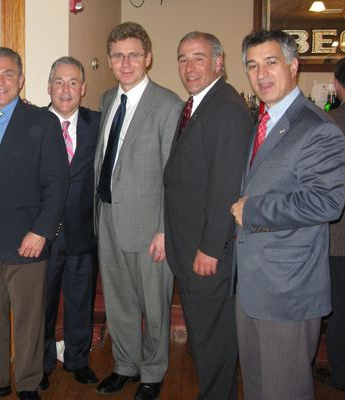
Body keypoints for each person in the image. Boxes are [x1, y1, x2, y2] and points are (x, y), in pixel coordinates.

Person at [231, 30, 345, 399]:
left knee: (285, 391)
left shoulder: (317, 128)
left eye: (271, 62)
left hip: (288, 290)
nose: (261, 73)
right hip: (253, 284)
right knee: (258, 389)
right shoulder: (263, 120)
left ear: (293, 66)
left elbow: (327, 201)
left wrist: (254, 210)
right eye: (252, 66)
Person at [0, 47, 69, 400]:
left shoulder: (42, 122)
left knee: (28, 318)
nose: (0, 81)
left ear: (21, 79)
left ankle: (27, 384)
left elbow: (57, 182)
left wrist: (41, 231)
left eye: (8, 73)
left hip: (27, 235)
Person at [93, 22, 182, 400]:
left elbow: (172, 177)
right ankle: (126, 366)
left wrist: (164, 229)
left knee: (155, 306)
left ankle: (153, 373)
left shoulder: (169, 105)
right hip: (108, 218)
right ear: (109, 59)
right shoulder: (107, 99)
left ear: (147, 57)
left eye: (133, 55)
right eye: (118, 56)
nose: (125, 63)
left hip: (149, 228)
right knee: (119, 301)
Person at [163, 31, 253, 400]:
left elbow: (226, 187)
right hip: (190, 245)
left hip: (206, 252)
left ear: (218, 62)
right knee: (204, 338)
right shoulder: (198, 104)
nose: (189, 67)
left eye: (198, 58)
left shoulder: (226, 108)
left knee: (213, 341)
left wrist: (211, 248)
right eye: (183, 58)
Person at [38, 56, 100, 392]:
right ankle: (43, 363)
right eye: (59, 82)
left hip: (83, 234)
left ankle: (78, 360)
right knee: (43, 306)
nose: (66, 89)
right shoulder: (32, 124)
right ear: (49, 87)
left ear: (83, 88)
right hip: (42, 237)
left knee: (81, 303)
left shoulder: (99, 124)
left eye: (73, 82)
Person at [315, 57, 345, 394]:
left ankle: (341, 373)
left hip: (338, 237)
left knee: (340, 309)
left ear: (336, 84)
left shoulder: (329, 123)